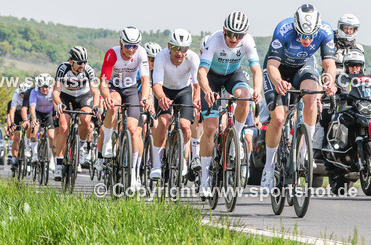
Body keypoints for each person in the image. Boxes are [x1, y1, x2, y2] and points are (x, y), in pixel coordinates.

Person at [261, 4, 337, 191]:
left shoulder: (326, 31)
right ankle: (269, 167)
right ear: (296, 27)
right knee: (279, 118)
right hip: (278, 69)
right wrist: (278, 81)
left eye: (310, 36)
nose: (306, 39)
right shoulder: (283, 29)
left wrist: (329, 82)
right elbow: (272, 65)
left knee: (312, 95)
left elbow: (329, 64)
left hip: (303, 66)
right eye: (302, 35)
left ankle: (305, 151)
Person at [197, 12, 263, 197]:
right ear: (224, 30)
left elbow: (256, 69)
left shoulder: (248, 41)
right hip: (212, 78)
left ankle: (235, 140)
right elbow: (201, 71)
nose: (234, 39)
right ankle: (204, 179)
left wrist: (257, 89)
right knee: (210, 128)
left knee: (245, 97)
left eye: (239, 35)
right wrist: (208, 90)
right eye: (231, 34)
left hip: (233, 75)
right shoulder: (215, 40)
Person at [98, 26, 153, 190]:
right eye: (128, 45)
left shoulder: (141, 53)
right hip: (114, 87)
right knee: (113, 104)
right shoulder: (112, 53)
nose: (131, 49)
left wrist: (144, 97)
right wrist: (106, 96)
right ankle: (108, 140)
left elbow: (145, 80)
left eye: (134, 46)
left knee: (132, 129)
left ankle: (134, 174)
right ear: (120, 42)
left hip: (130, 90)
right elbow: (103, 81)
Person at [150, 29, 199, 181]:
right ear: (169, 46)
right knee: (164, 122)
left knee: (185, 127)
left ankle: (181, 158)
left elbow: (197, 86)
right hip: (165, 90)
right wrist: (162, 98)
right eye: (177, 48)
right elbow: (156, 84)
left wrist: (196, 100)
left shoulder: (193, 58)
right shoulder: (161, 56)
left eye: (184, 49)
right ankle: (156, 165)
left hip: (183, 91)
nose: (180, 53)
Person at [53, 46, 99, 171]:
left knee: (85, 120)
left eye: (84, 62)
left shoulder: (88, 70)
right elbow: (56, 92)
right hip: (66, 97)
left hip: (83, 96)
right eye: (79, 63)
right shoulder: (63, 69)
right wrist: (59, 103)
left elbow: (95, 91)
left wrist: (95, 106)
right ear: (71, 62)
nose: (82, 66)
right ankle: (58, 163)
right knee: (63, 127)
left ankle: (82, 147)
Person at [28, 73, 58, 176]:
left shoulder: (53, 91)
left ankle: (53, 161)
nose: (44, 89)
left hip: (49, 113)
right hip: (38, 113)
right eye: (42, 87)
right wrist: (33, 119)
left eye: (46, 87)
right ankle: (35, 153)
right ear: (38, 86)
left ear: (50, 85)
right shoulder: (34, 92)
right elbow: (32, 107)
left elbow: (55, 104)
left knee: (52, 136)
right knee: (35, 127)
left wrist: (56, 114)